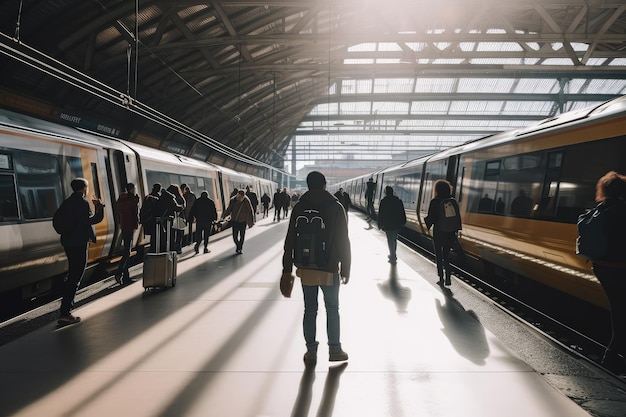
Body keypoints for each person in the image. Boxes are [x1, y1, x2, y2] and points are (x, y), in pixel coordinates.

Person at [282, 171, 351, 364]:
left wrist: (287, 268)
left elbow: (289, 240)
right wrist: (346, 267)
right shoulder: (335, 207)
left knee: (310, 309)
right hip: (329, 267)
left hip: (306, 268)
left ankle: (311, 351)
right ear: (324, 185)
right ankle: (335, 350)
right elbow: (343, 240)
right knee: (332, 308)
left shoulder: (299, 207)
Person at [588, 171, 626, 375]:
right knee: (621, 312)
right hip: (620, 269)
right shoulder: (622, 210)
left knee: (618, 309)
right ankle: (611, 358)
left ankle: (613, 356)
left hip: (601, 266)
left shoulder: (599, 210)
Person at [56, 177, 105, 326]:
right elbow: (92, 220)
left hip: (68, 242)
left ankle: (65, 307)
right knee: (76, 276)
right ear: (84, 188)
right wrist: (100, 207)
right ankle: (65, 313)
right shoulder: (82, 203)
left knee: (73, 274)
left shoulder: (67, 202)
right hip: (79, 243)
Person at [424, 180, 461, 286]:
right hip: (450, 233)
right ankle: (448, 277)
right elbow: (457, 218)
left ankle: (441, 278)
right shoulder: (452, 201)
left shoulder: (435, 201)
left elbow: (431, 217)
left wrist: (427, 223)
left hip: (439, 232)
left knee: (439, 256)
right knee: (446, 256)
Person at [115, 183, 139, 285]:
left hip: (124, 226)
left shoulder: (121, 199)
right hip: (130, 227)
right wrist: (136, 202)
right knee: (127, 252)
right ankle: (119, 272)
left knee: (127, 251)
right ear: (131, 189)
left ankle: (126, 277)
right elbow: (135, 214)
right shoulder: (131, 199)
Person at [377, 186, 406, 264]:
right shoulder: (398, 200)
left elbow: (381, 214)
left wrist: (380, 224)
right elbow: (402, 212)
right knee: (394, 239)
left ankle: (392, 255)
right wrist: (403, 221)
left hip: (387, 224)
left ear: (386, 192)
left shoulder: (384, 201)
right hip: (396, 223)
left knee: (390, 239)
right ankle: (393, 254)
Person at [222, 190, 255, 254]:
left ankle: (239, 248)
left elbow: (250, 211)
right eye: (239, 197)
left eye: (242, 197)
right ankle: (238, 246)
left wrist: (251, 222)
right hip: (235, 220)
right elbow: (229, 209)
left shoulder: (246, 200)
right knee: (235, 236)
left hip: (243, 221)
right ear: (237, 195)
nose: (240, 198)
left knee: (242, 236)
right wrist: (224, 216)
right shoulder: (233, 200)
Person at [155, 185, 184, 252]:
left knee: (164, 236)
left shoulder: (161, 197)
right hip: (169, 220)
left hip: (161, 220)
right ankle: (171, 250)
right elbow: (176, 207)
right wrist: (181, 207)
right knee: (172, 236)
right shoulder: (170, 198)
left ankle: (163, 250)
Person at [141, 183, 161, 253]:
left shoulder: (147, 197)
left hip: (148, 220)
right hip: (155, 220)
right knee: (156, 236)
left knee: (153, 236)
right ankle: (154, 250)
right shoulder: (158, 198)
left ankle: (152, 248)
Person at [167, 184, 186, 254]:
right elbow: (183, 207)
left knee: (172, 235)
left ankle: (173, 248)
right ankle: (178, 248)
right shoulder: (181, 198)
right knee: (179, 235)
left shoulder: (170, 198)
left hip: (172, 219)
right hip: (181, 219)